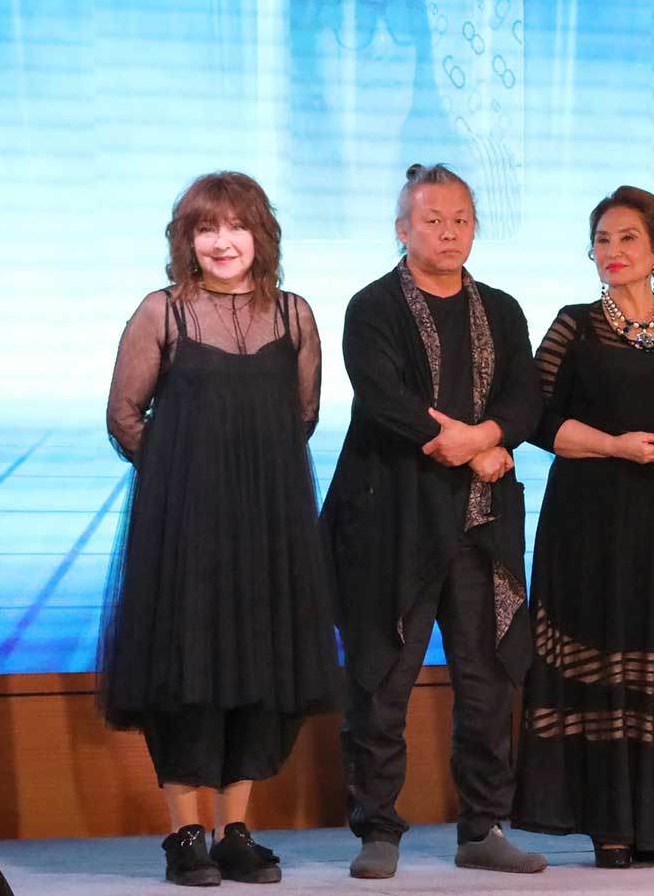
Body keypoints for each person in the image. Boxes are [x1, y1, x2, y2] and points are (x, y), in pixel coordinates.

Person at [100, 171, 339, 886]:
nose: (223, 241)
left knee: (261, 672)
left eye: (237, 226)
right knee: (184, 674)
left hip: (269, 527)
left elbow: (302, 417)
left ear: (261, 235)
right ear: (187, 240)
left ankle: (235, 830)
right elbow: (124, 415)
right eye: (207, 228)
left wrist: (249, 481)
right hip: (183, 530)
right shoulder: (162, 312)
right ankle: (185, 835)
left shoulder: (295, 315)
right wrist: (183, 477)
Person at [321, 163, 545, 879]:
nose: (449, 233)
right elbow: (383, 397)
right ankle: (377, 830)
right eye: (432, 220)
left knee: (489, 683)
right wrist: (468, 445)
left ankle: (484, 826)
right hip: (393, 519)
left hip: (481, 525)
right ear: (402, 228)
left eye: (460, 220)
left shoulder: (502, 309)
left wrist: (487, 437)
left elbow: (525, 398)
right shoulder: (372, 306)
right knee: (382, 680)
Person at [512, 186, 654, 867]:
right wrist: (615, 445)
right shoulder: (575, 326)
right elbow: (536, 419)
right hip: (591, 524)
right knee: (605, 658)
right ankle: (609, 822)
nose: (612, 251)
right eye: (602, 240)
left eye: (627, 238)